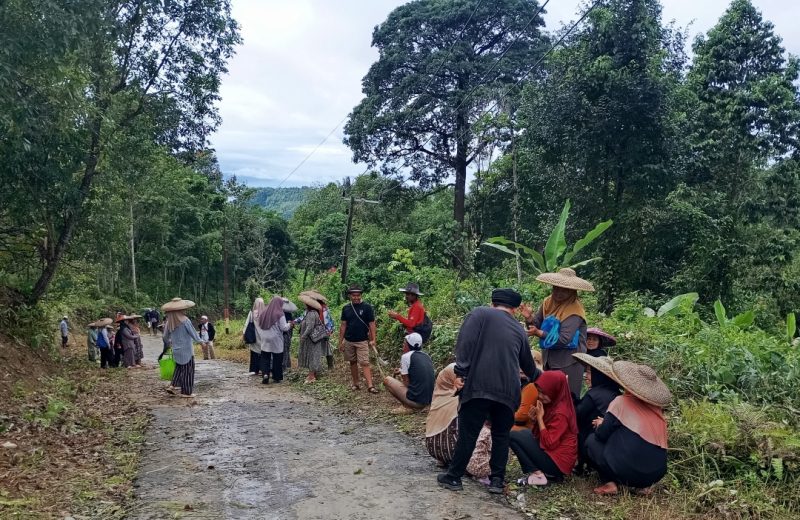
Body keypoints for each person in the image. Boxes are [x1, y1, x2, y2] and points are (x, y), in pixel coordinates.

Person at [437, 288, 541, 495]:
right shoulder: (519, 329)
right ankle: (496, 481)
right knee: (501, 435)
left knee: (469, 433)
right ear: (513, 309)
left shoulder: (479, 314)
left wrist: (461, 373)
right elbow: (528, 365)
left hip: (479, 386)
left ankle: (454, 477)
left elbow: (465, 344)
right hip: (509, 391)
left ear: (493, 303)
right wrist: (539, 377)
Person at [585, 360, 671, 495]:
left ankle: (610, 483)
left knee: (591, 441)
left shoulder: (621, 402)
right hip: (654, 475)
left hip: (627, 470)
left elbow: (601, 435)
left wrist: (601, 424)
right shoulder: (657, 412)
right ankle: (643, 486)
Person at [521, 268, 594, 398]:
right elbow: (537, 324)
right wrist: (529, 318)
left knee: (566, 398)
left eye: (564, 290)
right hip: (550, 359)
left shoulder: (574, 310)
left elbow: (564, 339)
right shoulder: (548, 302)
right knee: (548, 396)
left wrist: (539, 333)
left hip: (569, 362)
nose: (559, 292)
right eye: (556, 288)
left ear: (572, 291)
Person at [509, 370, 578, 487]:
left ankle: (540, 475)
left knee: (513, 435)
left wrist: (540, 419)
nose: (540, 396)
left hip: (557, 463)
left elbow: (549, 443)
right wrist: (534, 420)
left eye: (544, 393)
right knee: (515, 434)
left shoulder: (561, 413)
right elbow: (537, 436)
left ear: (555, 391)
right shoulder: (552, 404)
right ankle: (539, 474)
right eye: (539, 392)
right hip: (551, 455)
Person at [572, 353, 622, 474]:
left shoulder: (595, 394)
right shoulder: (615, 392)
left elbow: (577, 415)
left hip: (594, 441)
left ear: (599, 375)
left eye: (589, 372)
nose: (586, 376)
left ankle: (582, 463)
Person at [339, 285, 378, 394]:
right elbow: (343, 325)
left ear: (361, 295)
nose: (356, 297)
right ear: (349, 296)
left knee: (365, 362)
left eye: (358, 295)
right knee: (352, 362)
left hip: (362, 340)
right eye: (353, 295)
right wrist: (340, 341)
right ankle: (356, 383)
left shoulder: (367, 307)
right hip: (349, 340)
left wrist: (373, 339)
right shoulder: (346, 308)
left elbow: (372, 324)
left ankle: (370, 385)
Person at [383, 332, 435, 414]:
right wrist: (401, 371)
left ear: (408, 344)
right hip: (429, 400)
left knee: (387, 380)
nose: (404, 344)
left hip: (417, 402)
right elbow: (418, 372)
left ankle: (407, 406)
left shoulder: (406, 357)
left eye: (405, 343)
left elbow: (406, 382)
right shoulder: (426, 356)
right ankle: (421, 405)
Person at [162, 298, 203, 398]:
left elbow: (164, 337)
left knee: (179, 368)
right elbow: (193, 333)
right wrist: (201, 341)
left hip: (176, 350)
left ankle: (172, 385)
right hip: (187, 350)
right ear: (180, 310)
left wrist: (169, 343)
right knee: (188, 371)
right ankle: (186, 392)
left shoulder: (169, 322)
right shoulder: (185, 320)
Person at [256, 296, 290, 384]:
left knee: (265, 357)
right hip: (276, 338)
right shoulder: (280, 313)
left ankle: (265, 374)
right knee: (277, 357)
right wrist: (290, 324)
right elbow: (284, 328)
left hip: (265, 337)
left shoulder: (264, 312)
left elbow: (260, 324)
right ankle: (276, 376)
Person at [301, 290, 334, 369]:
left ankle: (330, 365)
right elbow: (303, 317)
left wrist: (328, 330)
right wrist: (294, 321)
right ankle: (317, 366)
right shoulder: (309, 309)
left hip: (322, 330)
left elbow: (327, 320)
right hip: (314, 330)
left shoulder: (323, 308)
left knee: (326, 347)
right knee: (318, 348)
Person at [388, 283, 426, 350]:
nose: (406, 296)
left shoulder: (417, 306)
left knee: (408, 357)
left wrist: (397, 316)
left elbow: (411, 324)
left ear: (414, 295)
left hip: (413, 339)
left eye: (408, 294)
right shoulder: (416, 305)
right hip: (413, 337)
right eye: (406, 294)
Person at [298, 294, 325, 384]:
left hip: (311, 339)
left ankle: (311, 376)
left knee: (312, 356)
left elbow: (310, 327)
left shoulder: (310, 314)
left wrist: (303, 336)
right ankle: (312, 374)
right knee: (314, 356)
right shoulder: (315, 313)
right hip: (315, 339)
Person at [512, 353, 542, 432]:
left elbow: (521, 416)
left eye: (526, 364)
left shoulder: (532, 386)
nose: (522, 368)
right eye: (519, 363)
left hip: (525, 429)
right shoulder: (521, 382)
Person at [243, 298, 265, 376]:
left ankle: (255, 369)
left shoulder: (252, 313)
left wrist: (244, 334)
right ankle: (263, 369)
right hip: (263, 336)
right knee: (264, 353)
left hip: (254, 336)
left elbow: (246, 324)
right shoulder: (265, 313)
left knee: (254, 353)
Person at [282, 297, 298, 371]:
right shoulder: (289, 314)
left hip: (285, 334)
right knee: (286, 349)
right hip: (288, 334)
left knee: (284, 349)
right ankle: (287, 365)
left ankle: (284, 366)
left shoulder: (282, 314)